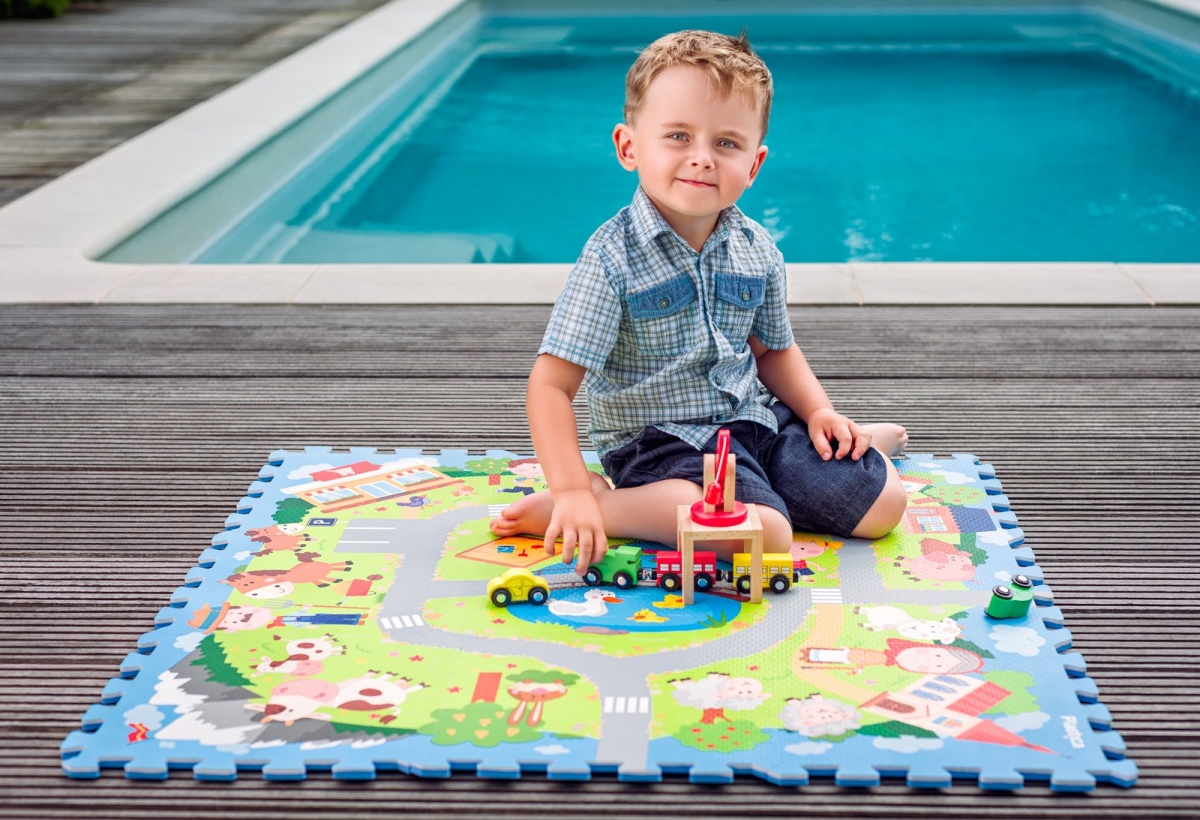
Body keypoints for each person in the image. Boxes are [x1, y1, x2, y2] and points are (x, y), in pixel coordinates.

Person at [491, 29, 908, 573]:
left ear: (754, 165)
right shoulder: (612, 260)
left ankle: (831, 449)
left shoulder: (757, 248)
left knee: (884, 506)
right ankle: (601, 505)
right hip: (660, 446)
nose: (702, 159)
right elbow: (550, 386)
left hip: (754, 424)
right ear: (629, 147)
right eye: (678, 136)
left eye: (726, 143)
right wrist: (570, 489)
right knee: (767, 534)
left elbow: (773, 351)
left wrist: (818, 411)